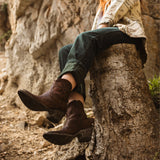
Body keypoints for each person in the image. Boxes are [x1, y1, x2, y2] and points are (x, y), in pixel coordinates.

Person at [18, 0, 147, 145]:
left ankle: (58, 94)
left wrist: (98, 30)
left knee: (85, 38)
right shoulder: (103, 4)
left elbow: (116, 10)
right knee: (65, 51)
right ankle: (76, 116)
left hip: (129, 33)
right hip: (111, 34)